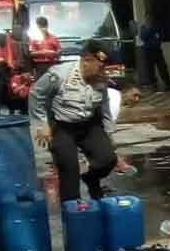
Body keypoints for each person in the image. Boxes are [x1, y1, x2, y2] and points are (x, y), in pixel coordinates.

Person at [30, 39, 117, 201]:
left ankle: (91, 179)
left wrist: (109, 131)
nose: (103, 71)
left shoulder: (100, 79)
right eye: (100, 67)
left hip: (89, 124)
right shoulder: (59, 74)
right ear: (86, 61)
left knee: (108, 159)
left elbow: (104, 106)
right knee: (69, 169)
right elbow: (36, 95)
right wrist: (42, 124)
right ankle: (72, 211)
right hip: (62, 126)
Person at [139, 13, 170, 91]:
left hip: (157, 50)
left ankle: (168, 85)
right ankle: (154, 86)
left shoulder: (156, 27)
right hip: (148, 51)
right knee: (150, 70)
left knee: (163, 67)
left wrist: (154, 36)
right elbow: (143, 37)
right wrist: (150, 30)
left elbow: (160, 36)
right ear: (145, 19)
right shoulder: (143, 28)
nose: (149, 20)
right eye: (147, 18)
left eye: (150, 18)